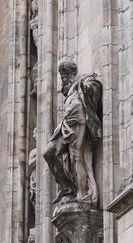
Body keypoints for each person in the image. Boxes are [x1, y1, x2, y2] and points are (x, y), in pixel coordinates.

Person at [43, 59, 102, 207]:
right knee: (49, 153)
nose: (63, 77)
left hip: (78, 117)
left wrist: (88, 90)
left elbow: (94, 86)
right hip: (67, 120)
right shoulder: (67, 89)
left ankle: (82, 194)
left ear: (73, 71)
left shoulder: (82, 79)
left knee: (76, 156)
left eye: (65, 72)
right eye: (61, 74)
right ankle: (68, 188)